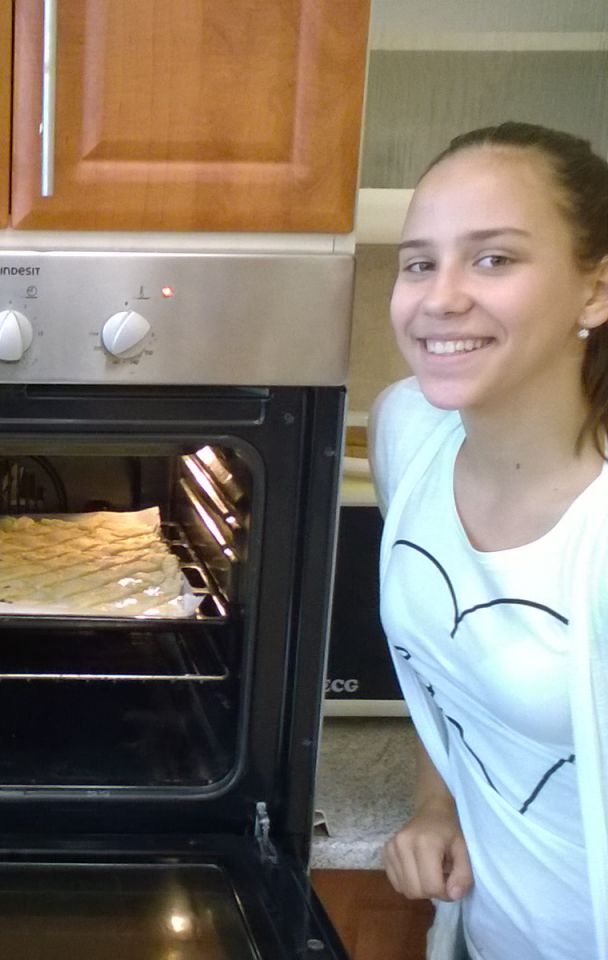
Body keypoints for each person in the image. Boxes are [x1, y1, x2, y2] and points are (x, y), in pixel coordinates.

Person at [370, 121, 608, 960]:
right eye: (419, 263)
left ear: (595, 291)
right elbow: (449, 665)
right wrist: (439, 804)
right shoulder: (410, 431)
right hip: (482, 936)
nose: (440, 297)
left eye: (494, 258)